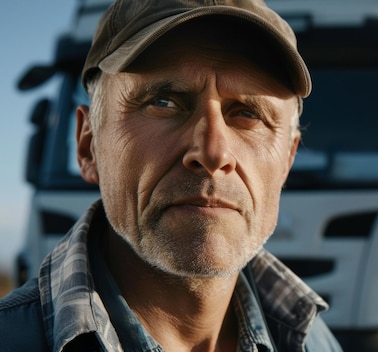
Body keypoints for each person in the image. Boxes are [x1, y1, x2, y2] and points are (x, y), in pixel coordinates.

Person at [0, 0, 343, 351]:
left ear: (287, 159)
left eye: (247, 113)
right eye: (164, 102)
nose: (213, 153)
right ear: (89, 146)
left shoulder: (315, 343)